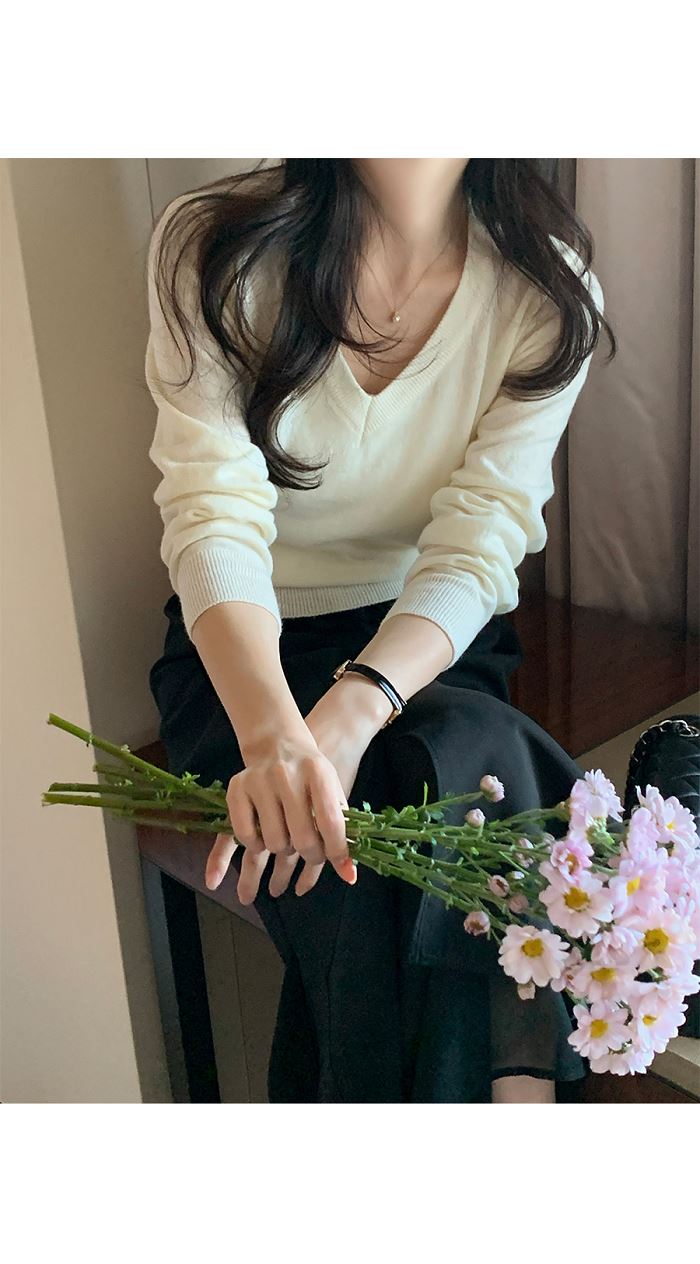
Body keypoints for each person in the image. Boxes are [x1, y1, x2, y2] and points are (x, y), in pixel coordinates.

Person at [145, 158, 616, 1103]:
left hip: (424, 640)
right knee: (376, 851)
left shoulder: (546, 287)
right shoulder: (219, 247)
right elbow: (211, 515)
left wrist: (356, 707)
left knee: (452, 770)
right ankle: (520, 1095)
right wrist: (276, 735)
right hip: (250, 650)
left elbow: (482, 540)